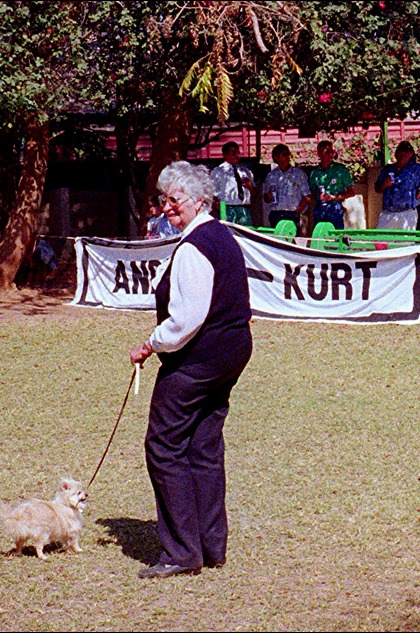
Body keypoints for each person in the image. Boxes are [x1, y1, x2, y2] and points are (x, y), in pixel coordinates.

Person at [129, 161, 253, 579]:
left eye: (175, 199)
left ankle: (181, 552)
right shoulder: (222, 235)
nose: (167, 207)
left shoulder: (194, 247)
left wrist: (151, 344)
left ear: (199, 201)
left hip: (199, 360)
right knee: (203, 446)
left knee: (163, 447)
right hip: (229, 355)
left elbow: (187, 319)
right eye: (164, 199)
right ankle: (211, 546)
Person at [374, 140, 420, 230]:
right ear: (396, 153)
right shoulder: (388, 169)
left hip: (407, 213)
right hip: (388, 213)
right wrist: (384, 185)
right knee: (381, 238)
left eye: (406, 152)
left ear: (410, 154)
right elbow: (377, 188)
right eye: (400, 151)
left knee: (406, 238)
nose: (402, 155)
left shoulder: (417, 169)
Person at [307, 140, 356, 231]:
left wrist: (334, 197)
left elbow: (352, 192)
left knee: (336, 234)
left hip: (335, 206)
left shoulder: (340, 170)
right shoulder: (315, 172)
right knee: (320, 232)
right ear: (319, 154)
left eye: (332, 152)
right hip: (320, 207)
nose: (331, 154)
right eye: (327, 152)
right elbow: (312, 192)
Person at [262, 144, 311, 231]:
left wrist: (298, 211)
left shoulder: (298, 174)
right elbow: (266, 199)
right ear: (276, 157)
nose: (288, 157)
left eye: (289, 154)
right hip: (276, 213)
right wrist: (269, 195)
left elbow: (307, 196)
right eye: (284, 154)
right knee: (278, 237)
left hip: (292, 213)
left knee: (292, 236)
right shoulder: (271, 175)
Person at [211, 141, 257, 225]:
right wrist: (217, 206)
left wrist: (250, 186)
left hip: (244, 208)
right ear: (225, 155)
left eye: (238, 153)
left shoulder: (245, 171)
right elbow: (212, 193)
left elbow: (254, 193)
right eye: (233, 154)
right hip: (227, 208)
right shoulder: (218, 172)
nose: (237, 156)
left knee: (245, 231)